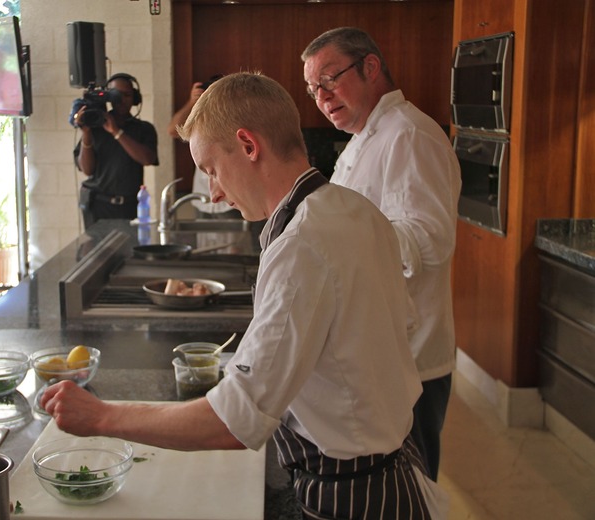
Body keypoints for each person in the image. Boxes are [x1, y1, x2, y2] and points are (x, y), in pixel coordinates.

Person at [42, 72, 442, 519]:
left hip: (351, 496)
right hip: (390, 469)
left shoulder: (301, 244)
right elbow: (373, 336)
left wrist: (100, 416)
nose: (212, 192)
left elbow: (233, 421)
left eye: (212, 169)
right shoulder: (355, 209)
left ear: (249, 146)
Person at [302, 27, 462, 481]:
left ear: (370, 67)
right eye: (314, 89)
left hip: (410, 359)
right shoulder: (365, 137)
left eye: (330, 79)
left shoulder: (409, 135)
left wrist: (342, 243)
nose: (322, 96)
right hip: (377, 351)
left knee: (412, 489)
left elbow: (430, 238)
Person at [73, 73, 158, 228]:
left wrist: (116, 132)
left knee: (130, 250)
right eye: (116, 95)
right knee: (100, 251)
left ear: (135, 99)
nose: (122, 100)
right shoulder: (95, 127)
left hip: (130, 207)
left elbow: (147, 159)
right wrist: (86, 133)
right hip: (98, 206)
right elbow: (87, 169)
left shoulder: (144, 129)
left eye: (127, 95)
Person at [166, 77, 238, 218]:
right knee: (202, 239)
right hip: (202, 200)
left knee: (234, 240)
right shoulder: (199, 123)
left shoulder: (236, 120)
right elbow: (172, 131)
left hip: (231, 203)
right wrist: (193, 102)